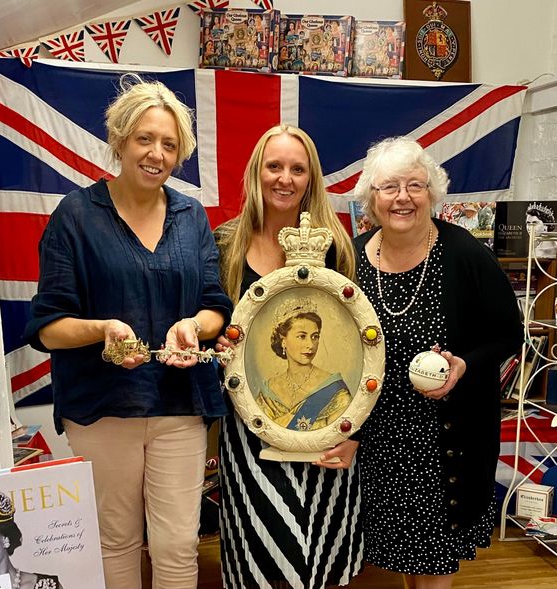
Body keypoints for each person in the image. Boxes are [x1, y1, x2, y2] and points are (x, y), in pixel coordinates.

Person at [23, 75, 232, 589]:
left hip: (180, 404)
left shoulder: (191, 216)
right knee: (115, 541)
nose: (156, 153)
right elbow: (48, 327)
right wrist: (103, 330)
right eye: (144, 139)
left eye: (168, 143)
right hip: (102, 407)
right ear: (119, 140)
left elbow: (215, 308)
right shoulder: (75, 216)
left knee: (177, 544)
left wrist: (193, 327)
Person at [352, 137, 524, 589]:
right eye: (389, 187)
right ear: (371, 197)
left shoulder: (464, 254)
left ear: (433, 193)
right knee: (411, 556)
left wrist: (464, 366)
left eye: (415, 185)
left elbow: (508, 332)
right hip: (379, 438)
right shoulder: (352, 258)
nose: (403, 197)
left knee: (434, 562)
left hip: (445, 436)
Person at [213, 124, 360, 589]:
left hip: (327, 429)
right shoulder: (224, 244)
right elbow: (208, 318)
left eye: (298, 169)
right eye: (274, 166)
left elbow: (361, 347)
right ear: (257, 173)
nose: (285, 178)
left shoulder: (336, 245)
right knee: (261, 556)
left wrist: (354, 433)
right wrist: (216, 342)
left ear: (311, 179)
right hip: (249, 430)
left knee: (322, 556)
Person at [257, 299, 352, 431]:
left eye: (315, 337)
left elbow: (338, 433)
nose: (310, 345)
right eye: (302, 336)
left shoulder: (335, 389)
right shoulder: (269, 390)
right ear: (283, 340)